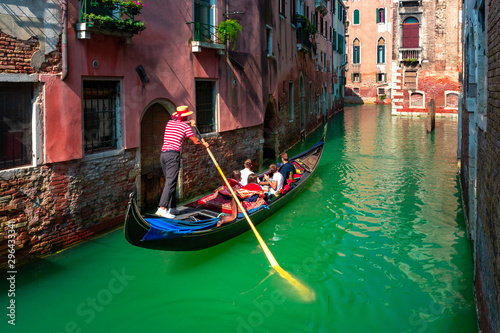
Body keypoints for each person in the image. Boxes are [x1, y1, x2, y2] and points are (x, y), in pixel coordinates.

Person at [156, 106, 209, 219]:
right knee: (171, 182)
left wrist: (189, 122)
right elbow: (195, 141)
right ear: (186, 116)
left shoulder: (170, 123)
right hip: (173, 155)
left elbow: (180, 122)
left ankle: (173, 208)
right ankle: (162, 209)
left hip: (163, 155)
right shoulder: (185, 127)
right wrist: (204, 144)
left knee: (171, 182)